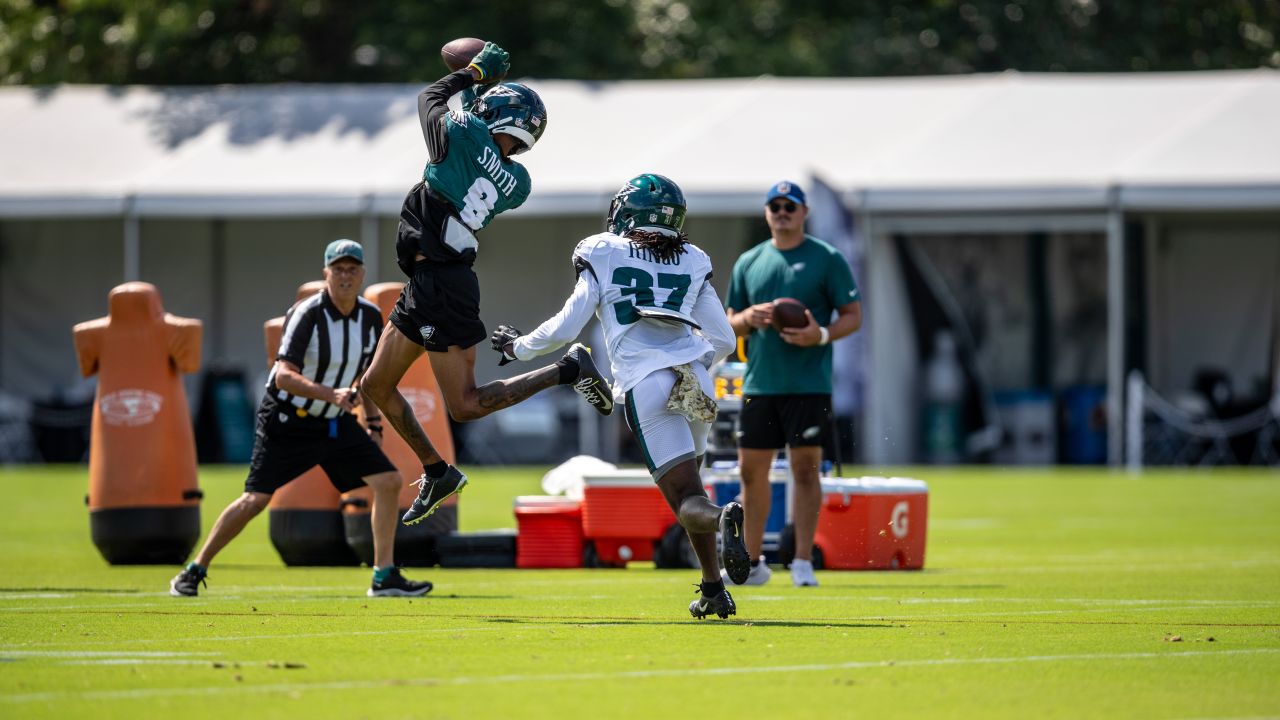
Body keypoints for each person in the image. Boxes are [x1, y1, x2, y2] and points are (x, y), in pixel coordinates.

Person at [358, 42, 612, 527]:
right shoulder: (517, 182)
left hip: (441, 285)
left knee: (465, 405)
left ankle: (566, 370)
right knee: (375, 384)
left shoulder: (465, 133)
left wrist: (474, 73)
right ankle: (437, 472)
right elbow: (484, 149)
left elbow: (430, 98)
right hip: (431, 279)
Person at [490, 174, 749, 618]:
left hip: (645, 381)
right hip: (696, 379)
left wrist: (519, 346)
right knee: (691, 490)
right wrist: (694, 370)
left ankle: (724, 517)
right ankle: (712, 588)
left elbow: (568, 327)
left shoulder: (601, 250)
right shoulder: (693, 258)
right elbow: (723, 338)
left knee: (689, 501)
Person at [170, 240, 432, 598]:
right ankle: (194, 569)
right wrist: (333, 395)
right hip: (288, 420)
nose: (345, 276)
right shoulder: (307, 313)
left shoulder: (370, 317)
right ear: (325, 274)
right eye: (337, 269)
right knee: (255, 500)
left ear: (362, 274)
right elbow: (283, 376)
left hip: (334, 421)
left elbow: (366, 380)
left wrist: (372, 423)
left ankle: (383, 575)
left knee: (388, 481)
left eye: (352, 269)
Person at [724, 180, 862, 587]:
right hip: (760, 384)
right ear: (767, 213)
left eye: (790, 205)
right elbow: (729, 320)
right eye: (775, 205)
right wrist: (748, 318)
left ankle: (802, 560)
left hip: (808, 385)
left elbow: (853, 315)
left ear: (804, 213)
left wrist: (818, 335)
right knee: (751, 474)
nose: (782, 212)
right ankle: (751, 563)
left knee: (805, 470)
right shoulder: (749, 261)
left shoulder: (827, 259)